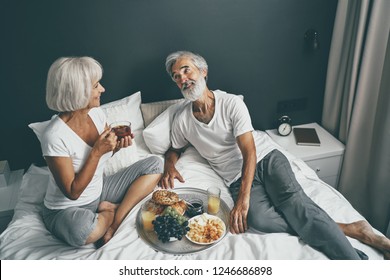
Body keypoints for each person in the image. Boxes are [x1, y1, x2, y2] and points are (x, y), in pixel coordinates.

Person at [160, 50, 390, 259]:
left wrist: (243, 198)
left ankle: (357, 264)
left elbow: (249, 151)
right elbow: (174, 149)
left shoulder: (231, 103)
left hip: (266, 159)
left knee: (296, 205)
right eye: (176, 76)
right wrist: (170, 165)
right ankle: (351, 229)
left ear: (203, 72)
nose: (182, 79)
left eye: (186, 70)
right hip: (234, 176)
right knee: (260, 220)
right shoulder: (182, 119)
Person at [41, 56, 163, 247]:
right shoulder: (54, 135)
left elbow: (104, 155)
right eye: (96, 85)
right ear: (78, 91)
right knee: (81, 232)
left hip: (100, 190)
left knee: (155, 164)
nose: (102, 89)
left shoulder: (97, 114)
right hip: (67, 208)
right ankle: (108, 212)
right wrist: (97, 152)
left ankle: (114, 217)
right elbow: (73, 192)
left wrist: (114, 147)